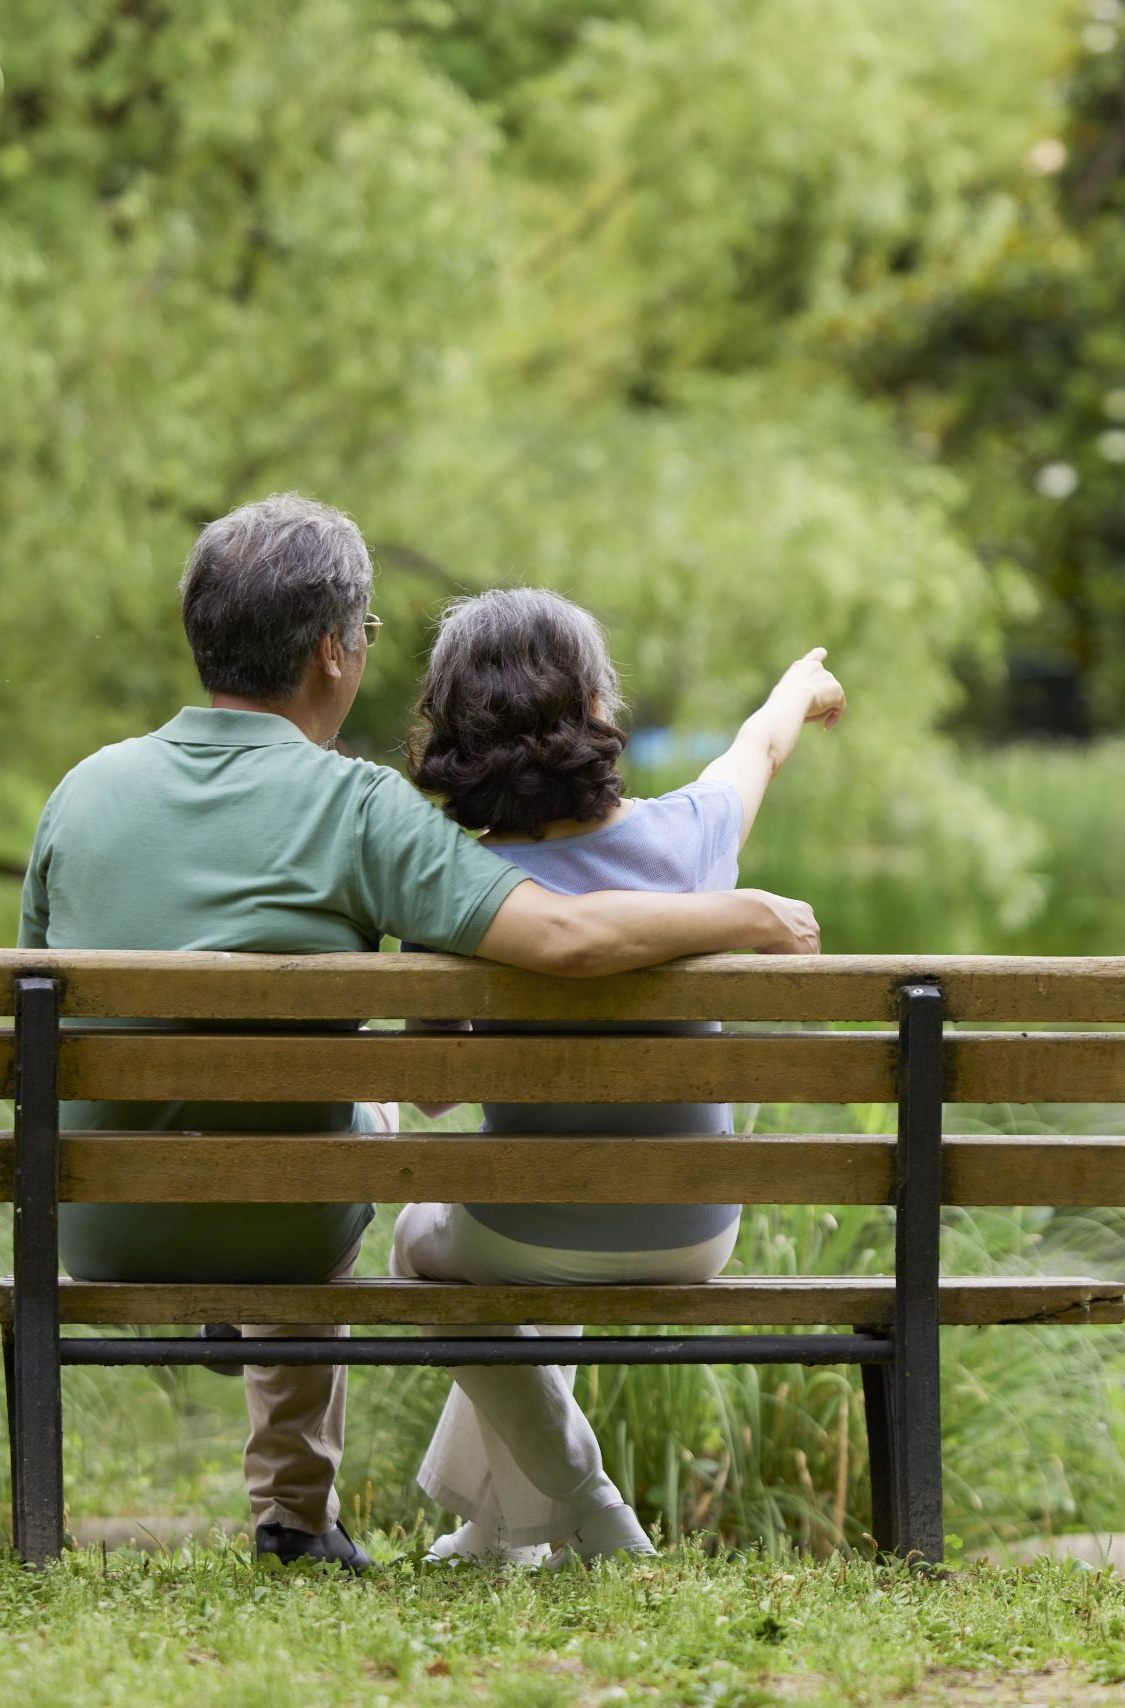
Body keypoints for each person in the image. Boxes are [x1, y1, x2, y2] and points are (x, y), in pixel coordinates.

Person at [15, 497, 821, 1573]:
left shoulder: (79, 794)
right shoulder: (356, 808)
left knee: (358, 1132)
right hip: (284, 1234)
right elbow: (567, 933)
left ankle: (487, 1522)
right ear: (335, 651)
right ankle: (296, 1518)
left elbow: (27, 1016)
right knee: (341, 1129)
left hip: (97, 1224)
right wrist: (748, 911)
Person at [390, 587, 845, 1565]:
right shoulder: (696, 832)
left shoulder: (455, 884)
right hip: (693, 1233)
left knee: (426, 1245)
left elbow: (429, 1092)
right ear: (597, 708)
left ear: (457, 738)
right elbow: (757, 747)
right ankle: (499, 1524)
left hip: (524, 1232)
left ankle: (580, 1498)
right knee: (512, 1240)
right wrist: (798, 688)